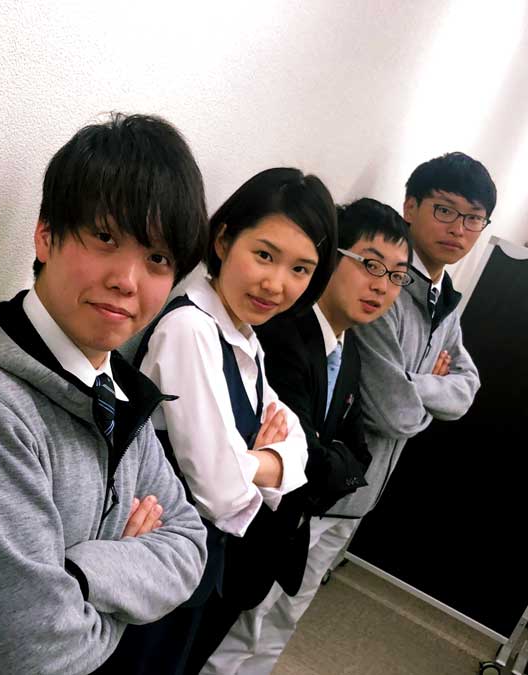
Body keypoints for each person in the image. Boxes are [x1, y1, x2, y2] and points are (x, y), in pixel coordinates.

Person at [0, 114, 209, 675]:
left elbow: (190, 545)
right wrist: (130, 582)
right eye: (106, 238)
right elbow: (31, 653)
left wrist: (83, 573)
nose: (127, 280)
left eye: (158, 259)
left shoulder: (115, 384)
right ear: (45, 235)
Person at [131, 167, 335, 673]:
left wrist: (249, 460)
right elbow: (220, 492)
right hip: (155, 563)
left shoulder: (245, 336)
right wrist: (263, 460)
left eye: (300, 269)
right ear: (223, 240)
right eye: (264, 255)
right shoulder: (190, 329)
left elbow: (299, 446)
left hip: (199, 567)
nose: (276, 284)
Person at [207, 197, 414, 673]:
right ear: (328, 257)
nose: (382, 286)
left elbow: (357, 454)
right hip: (237, 534)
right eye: (370, 265)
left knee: (251, 644)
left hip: (285, 532)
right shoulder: (283, 333)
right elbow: (310, 461)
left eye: (396, 276)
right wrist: (320, 458)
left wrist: (320, 457)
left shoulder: (348, 348)